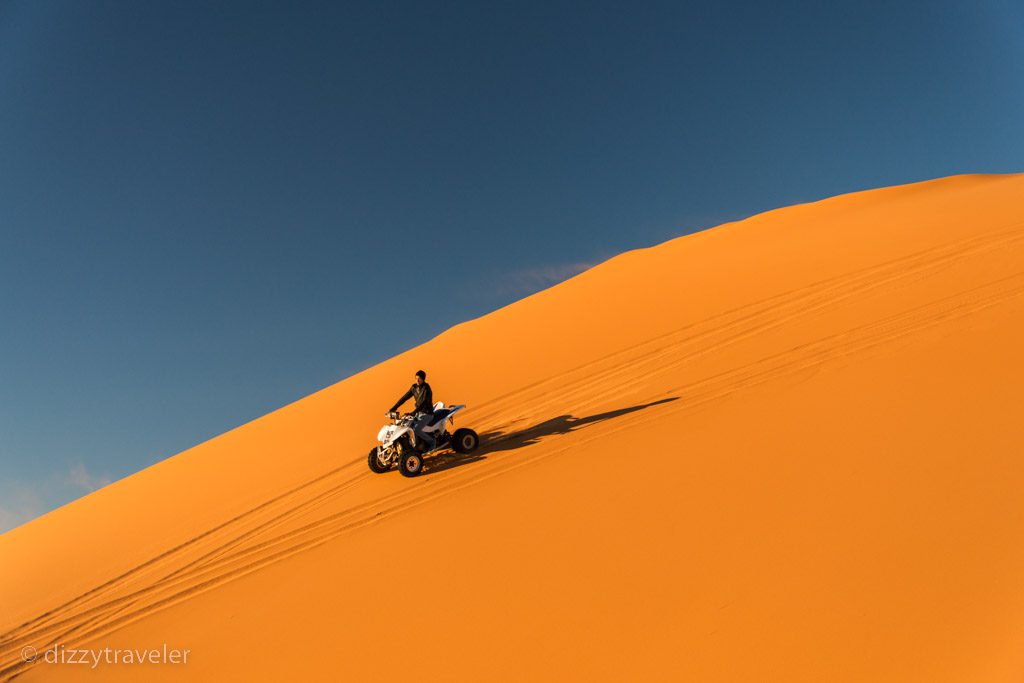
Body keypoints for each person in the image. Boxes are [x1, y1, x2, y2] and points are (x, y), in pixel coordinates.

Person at [388, 370, 436, 451]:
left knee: (416, 430)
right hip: (418, 413)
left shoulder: (426, 388)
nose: (417, 380)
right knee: (407, 426)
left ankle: (432, 442)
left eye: (419, 379)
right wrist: (394, 407)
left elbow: (423, 403)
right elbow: (404, 398)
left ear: (423, 379)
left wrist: (414, 412)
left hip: (427, 414)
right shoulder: (414, 387)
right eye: (416, 378)